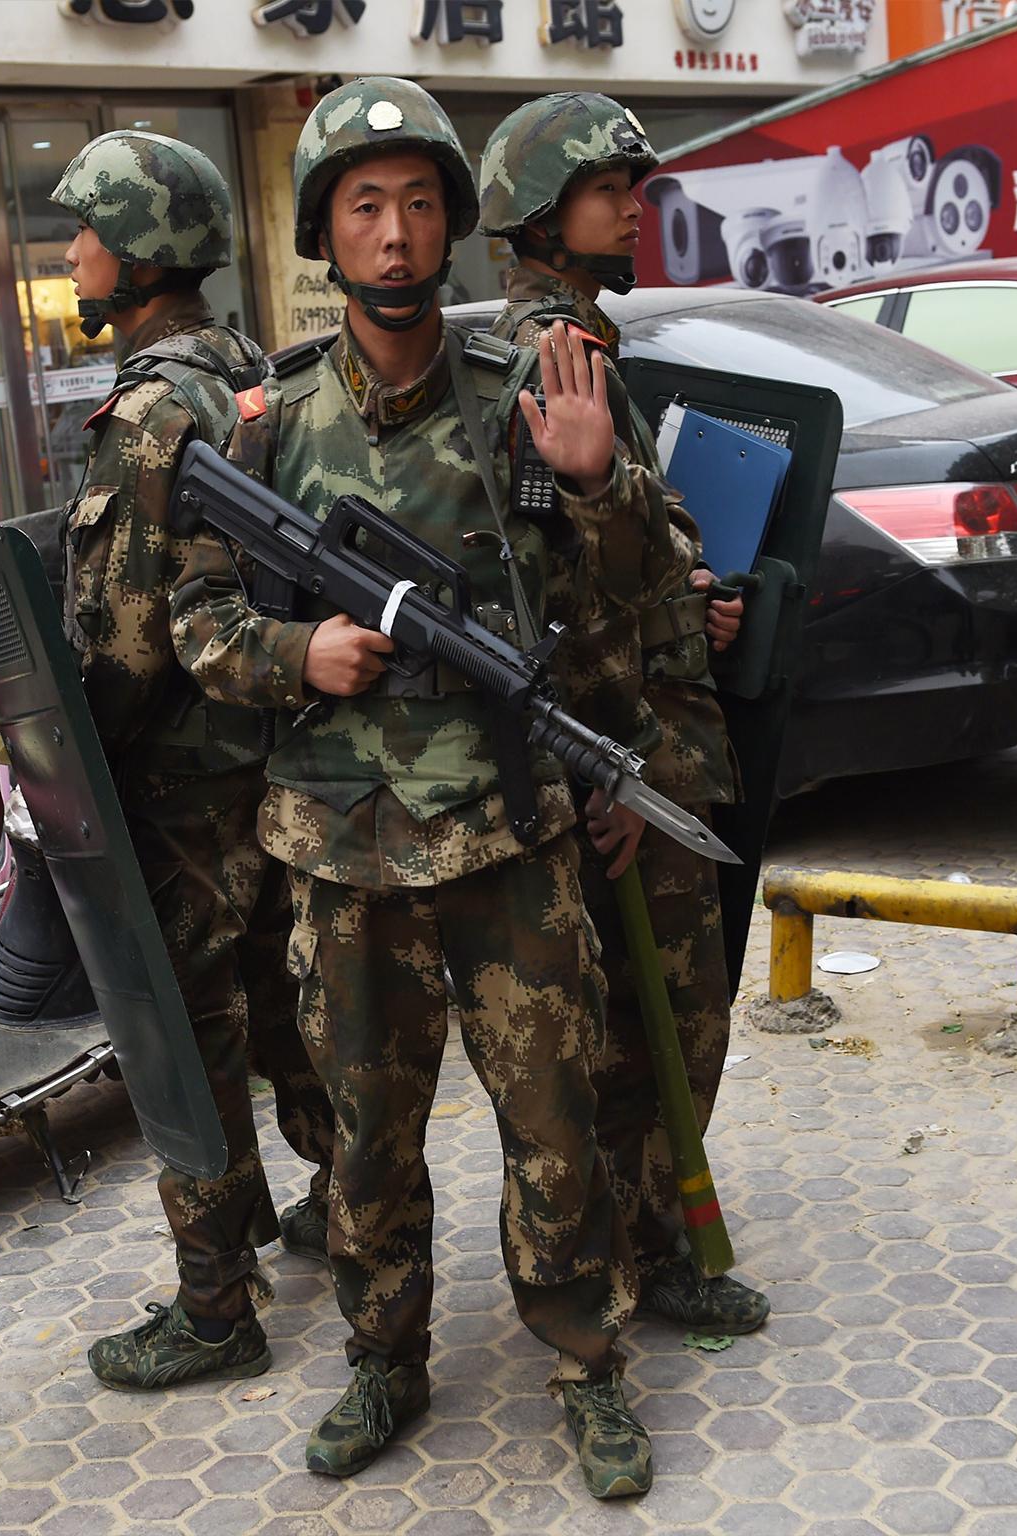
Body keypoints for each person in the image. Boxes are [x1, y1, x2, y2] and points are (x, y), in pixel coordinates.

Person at [172, 77, 689, 1500]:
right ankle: (382, 1361)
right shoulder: (266, 422)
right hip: (339, 853)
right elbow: (197, 626)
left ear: (454, 227)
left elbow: (619, 606)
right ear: (326, 235)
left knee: (557, 1123)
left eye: (416, 207)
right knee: (362, 1138)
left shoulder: (525, 395)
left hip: (507, 838)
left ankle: (587, 1366)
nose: (393, 238)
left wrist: (595, 489)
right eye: (364, 208)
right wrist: (301, 650)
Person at [44, 130, 334, 1394]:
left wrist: (68, 775)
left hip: (182, 789)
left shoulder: (149, 408)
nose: (69, 254)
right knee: (296, 1010)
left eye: (85, 232)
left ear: (141, 248)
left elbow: (122, 641)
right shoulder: (253, 375)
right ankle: (341, 1207)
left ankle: (217, 1305)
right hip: (283, 764)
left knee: (187, 1038)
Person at [479, 93, 768, 1338]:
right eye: (610, 191)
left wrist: (685, 590)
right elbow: (555, 594)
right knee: (660, 1022)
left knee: (660, 1017)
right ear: (545, 214)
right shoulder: (552, 359)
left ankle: (645, 1239)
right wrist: (622, 767)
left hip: (645, 734)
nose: (633, 209)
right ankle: (646, 1253)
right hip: (623, 750)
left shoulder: (579, 341)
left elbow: (626, 539)